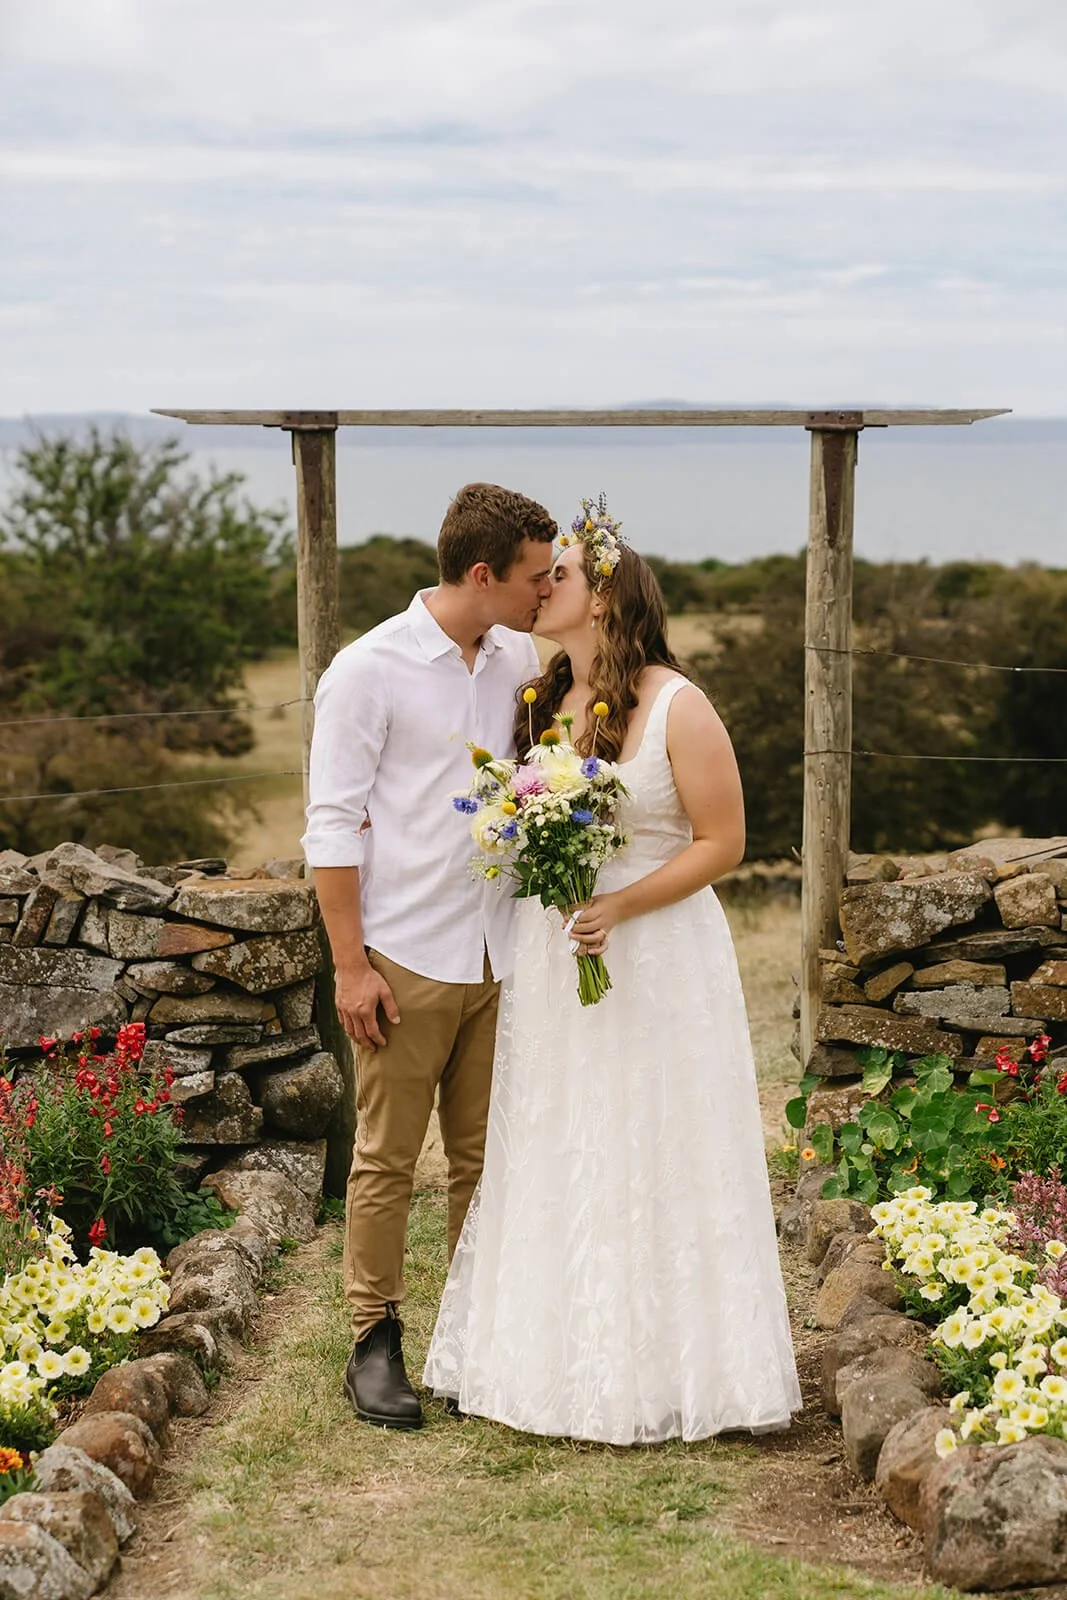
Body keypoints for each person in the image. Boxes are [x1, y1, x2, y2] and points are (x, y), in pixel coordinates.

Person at [424, 505, 802, 1444]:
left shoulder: (679, 703)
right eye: (539, 577)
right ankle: (553, 1359)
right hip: (560, 957)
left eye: (561, 578)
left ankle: (683, 1365)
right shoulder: (538, 702)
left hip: (660, 951)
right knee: (567, 1137)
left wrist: (623, 906)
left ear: (606, 599)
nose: (542, 585)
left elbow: (725, 842)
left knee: (660, 1138)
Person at [301, 481, 557, 1431]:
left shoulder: (520, 659)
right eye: (535, 575)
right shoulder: (366, 671)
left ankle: (471, 1339)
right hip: (402, 955)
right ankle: (373, 1344)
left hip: (501, 952)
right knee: (386, 1160)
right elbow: (330, 828)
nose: (546, 589)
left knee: (486, 1161)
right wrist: (352, 965)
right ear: (482, 574)